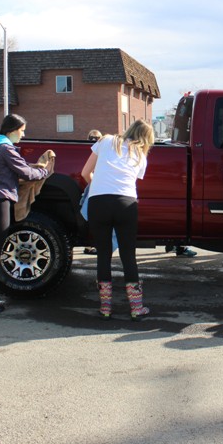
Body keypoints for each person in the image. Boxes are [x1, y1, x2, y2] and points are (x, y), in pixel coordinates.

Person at [0, 114, 49, 315]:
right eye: (22, 131)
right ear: (12, 130)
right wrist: (44, 172)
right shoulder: (6, 148)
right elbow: (26, 172)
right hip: (0, 203)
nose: (23, 135)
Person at [81, 119, 154, 320]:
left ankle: (105, 308)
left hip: (99, 203)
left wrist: (98, 186)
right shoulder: (140, 154)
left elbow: (85, 172)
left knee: (103, 254)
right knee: (128, 255)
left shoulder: (105, 141)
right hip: (126, 203)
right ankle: (136, 308)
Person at [83, 129, 103, 255]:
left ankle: (89, 244)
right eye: (92, 138)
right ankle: (93, 244)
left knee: (89, 217)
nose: (94, 140)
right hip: (96, 187)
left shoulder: (88, 151)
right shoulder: (100, 150)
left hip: (90, 187)